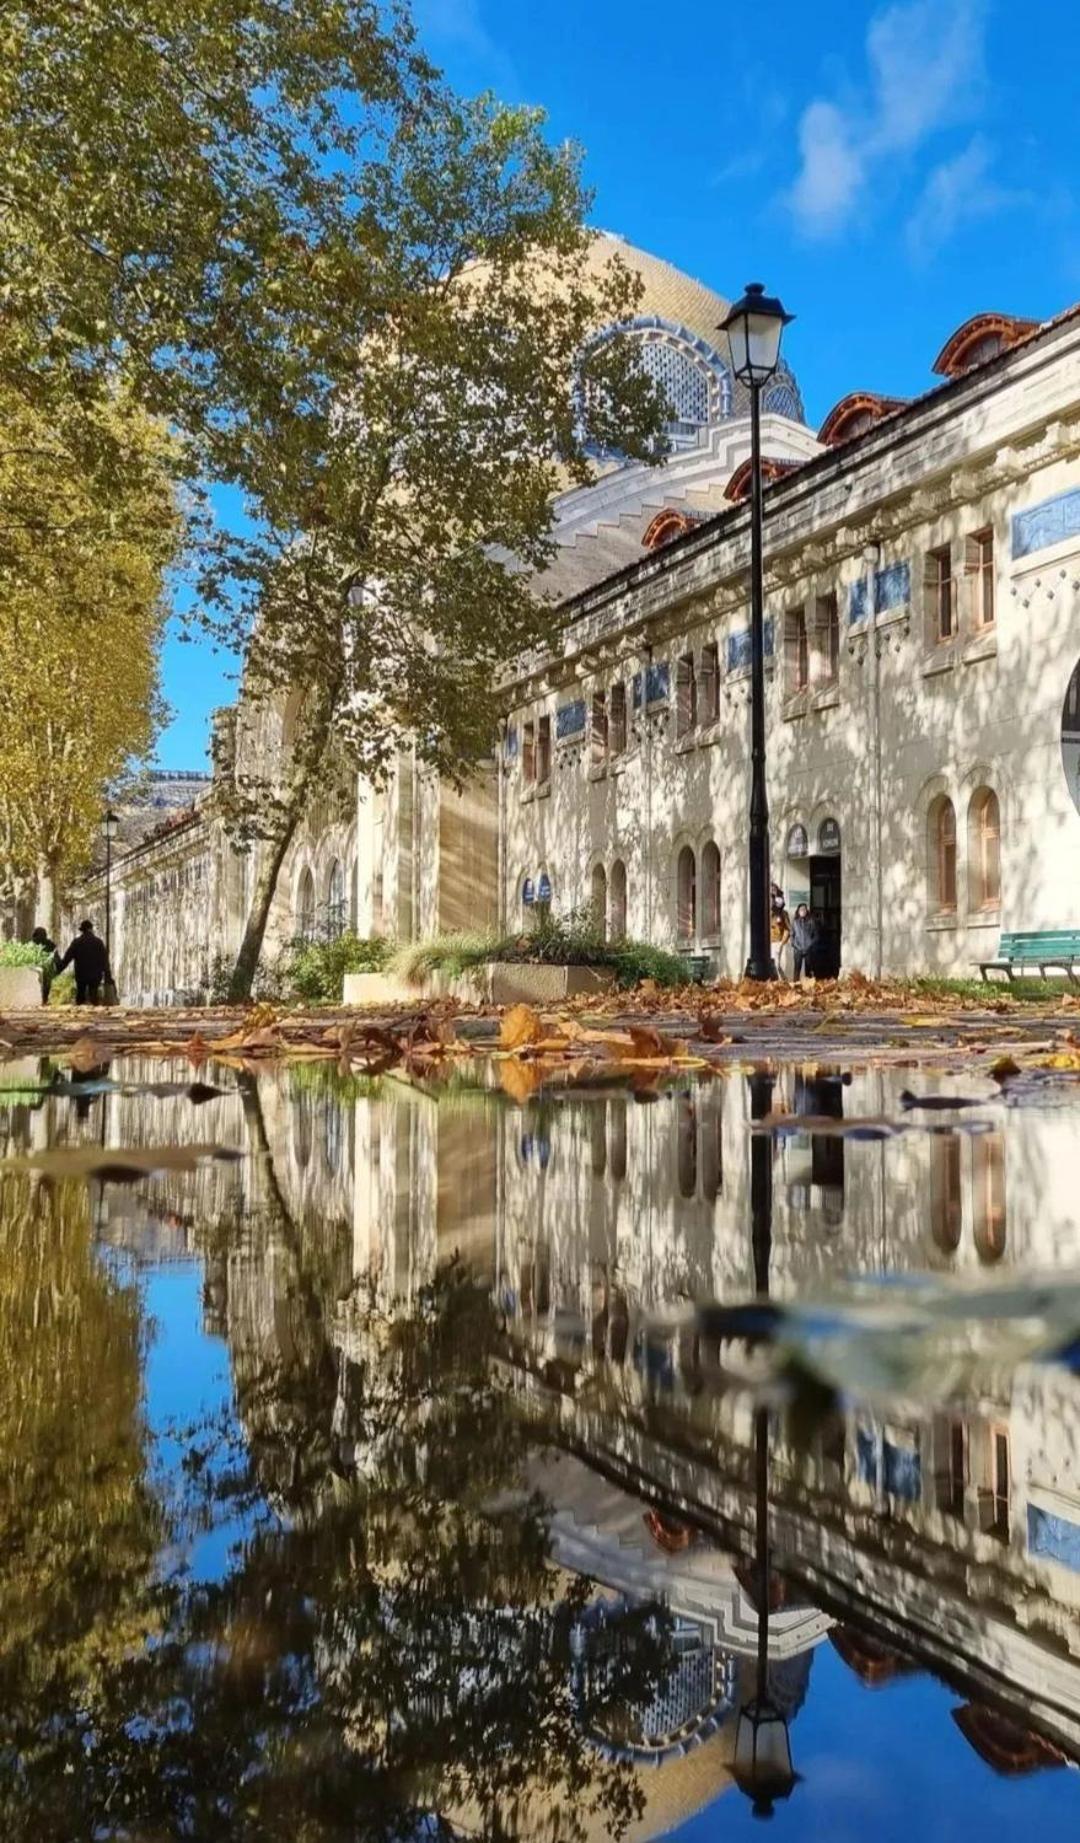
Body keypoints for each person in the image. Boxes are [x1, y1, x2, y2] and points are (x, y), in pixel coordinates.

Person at [56, 918, 110, 1005]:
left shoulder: (77, 942)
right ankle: (95, 1012)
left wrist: (59, 969)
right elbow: (104, 960)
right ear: (91, 929)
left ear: (82, 930)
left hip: (81, 974)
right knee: (94, 996)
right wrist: (107, 974)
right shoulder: (98, 942)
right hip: (95, 974)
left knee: (80, 996)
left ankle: (80, 1012)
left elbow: (67, 958)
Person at [791, 902, 819, 981]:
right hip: (798, 949)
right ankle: (795, 985)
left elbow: (816, 936)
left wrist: (810, 944)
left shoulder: (811, 921)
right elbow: (792, 935)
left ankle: (808, 986)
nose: (803, 911)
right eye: (801, 910)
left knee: (809, 969)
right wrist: (795, 945)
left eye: (804, 909)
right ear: (798, 911)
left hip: (808, 949)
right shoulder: (795, 922)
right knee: (797, 969)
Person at [30, 925, 58, 1001]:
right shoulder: (50, 944)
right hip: (45, 969)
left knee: (43, 984)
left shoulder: (33, 944)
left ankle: (42, 999)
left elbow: (56, 956)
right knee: (46, 985)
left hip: (39, 969)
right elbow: (57, 957)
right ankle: (44, 999)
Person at [770, 883, 791, 979]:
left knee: (776, 964)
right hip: (766, 943)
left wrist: (782, 943)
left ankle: (781, 982)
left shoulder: (782, 912)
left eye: (773, 889)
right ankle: (783, 980)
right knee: (772, 965)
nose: (772, 891)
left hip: (777, 941)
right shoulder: (767, 910)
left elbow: (787, 929)